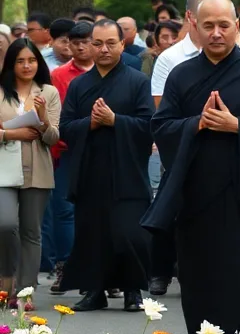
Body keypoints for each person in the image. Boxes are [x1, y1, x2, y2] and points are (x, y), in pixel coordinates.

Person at [143, 0, 240, 334]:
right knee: (198, 268)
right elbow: (161, 127)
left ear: (237, 25)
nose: (216, 33)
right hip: (196, 188)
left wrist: (238, 126)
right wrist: (197, 124)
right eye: (208, 26)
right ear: (194, 27)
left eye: (224, 25)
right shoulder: (182, 75)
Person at [58, 20, 154, 312]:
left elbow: (149, 126)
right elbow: (65, 128)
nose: (103, 49)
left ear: (122, 45)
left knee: (129, 232)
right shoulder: (79, 85)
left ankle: (133, 291)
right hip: (91, 170)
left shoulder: (137, 81)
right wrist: (91, 122)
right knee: (93, 233)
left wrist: (115, 121)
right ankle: (94, 291)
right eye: (97, 43)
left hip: (127, 169)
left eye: (110, 43)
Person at [0, 39, 59, 302]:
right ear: (11, 63)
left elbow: (53, 137)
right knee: (6, 224)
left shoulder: (48, 92)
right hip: (4, 168)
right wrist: (13, 133)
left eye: (32, 60)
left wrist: (43, 117)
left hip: (38, 169)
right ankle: (6, 278)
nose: (27, 66)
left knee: (31, 231)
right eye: (21, 61)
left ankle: (25, 292)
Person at [44, 21, 95, 290]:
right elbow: (56, 116)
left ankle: (101, 270)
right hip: (68, 149)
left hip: (100, 150)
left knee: (98, 209)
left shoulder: (106, 73)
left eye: (85, 41)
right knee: (65, 211)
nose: (79, 46)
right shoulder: (59, 75)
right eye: (74, 42)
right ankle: (65, 266)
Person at [151, 0, 213, 108]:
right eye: (206, 13)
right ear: (190, 15)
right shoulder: (167, 58)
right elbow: (161, 112)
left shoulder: (231, 54)